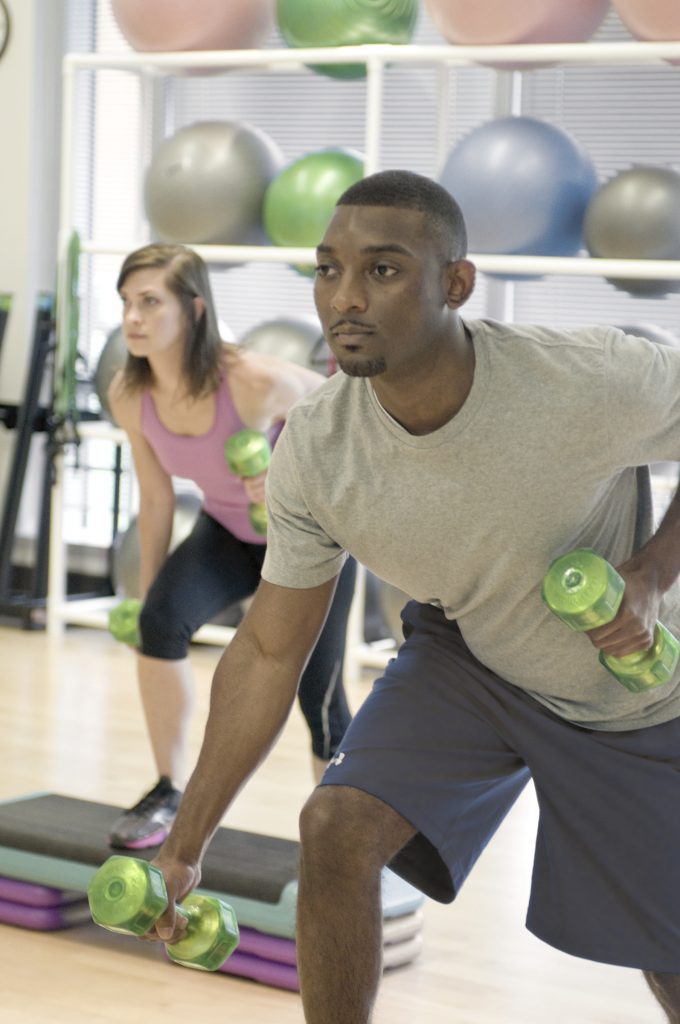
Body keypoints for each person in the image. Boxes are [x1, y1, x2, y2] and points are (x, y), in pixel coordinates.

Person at [140, 171, 680, 1022]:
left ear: (454, 284)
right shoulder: (318, 445)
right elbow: (270, 648)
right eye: (327, 270)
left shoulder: (581, 380)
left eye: (383, 270)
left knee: (671, 963)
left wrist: (652, 572)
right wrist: (186, 844)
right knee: (337, 828)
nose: (344, 298)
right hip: (470, 654)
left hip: (630, 696)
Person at [106, 242, 356, 849]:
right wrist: (147, 597)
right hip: (226, 532)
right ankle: (169, 788)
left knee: (316, 693)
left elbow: (350, 413)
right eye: (125, 304)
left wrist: (287, 470)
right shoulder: (130, 394)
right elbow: (157, 498)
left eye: (149, 302)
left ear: (193, 310)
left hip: (307, 541)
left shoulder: (251, 379)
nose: (132, 318)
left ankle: (341, 836)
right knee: (161, 623)